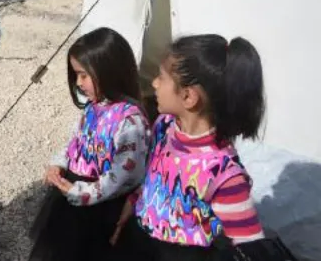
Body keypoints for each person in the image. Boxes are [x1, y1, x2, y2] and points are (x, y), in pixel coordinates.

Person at [110, 35, 268, 261]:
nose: (154, 83)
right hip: (142, 241)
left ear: (188, 97)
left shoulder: (224, 175)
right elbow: (155, 175)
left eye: (161, 78)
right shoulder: (165, 126)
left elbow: (252, 248)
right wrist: (135, 201)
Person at [27, 27, 151, 261]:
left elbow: (126, 175)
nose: (78, 82)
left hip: (102, 208)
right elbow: (77, 142)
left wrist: (83, 193)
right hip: (74, 196)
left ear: (109, 70)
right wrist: (59, 163)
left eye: (84, 75)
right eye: (76, 75)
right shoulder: (93, 107)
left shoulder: (130, 120)